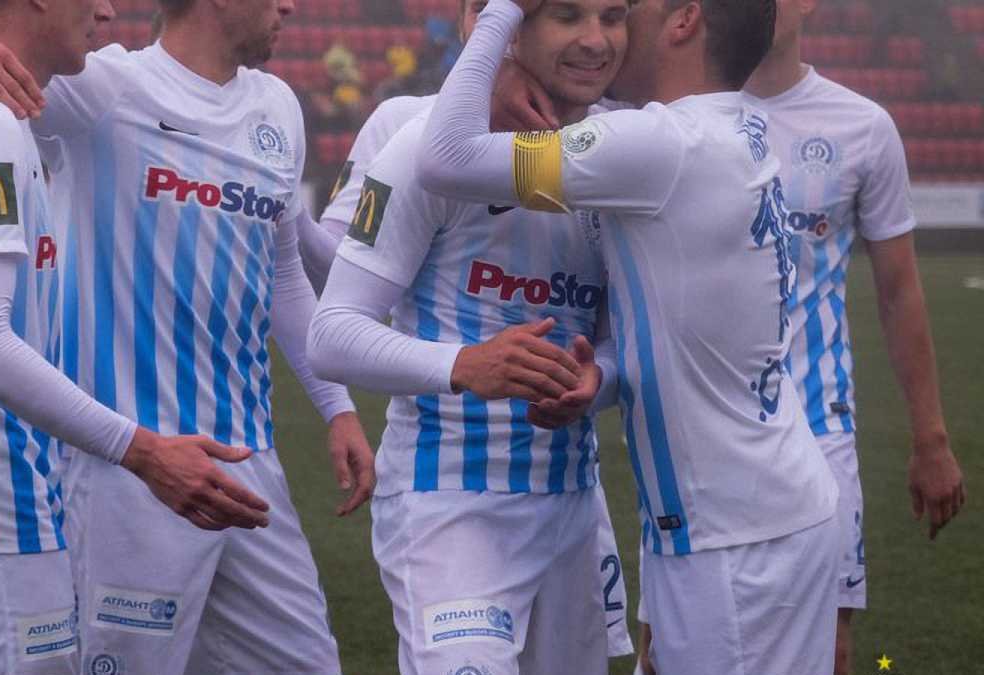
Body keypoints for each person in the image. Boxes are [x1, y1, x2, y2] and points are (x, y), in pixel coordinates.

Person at [0, 0, 375, 672]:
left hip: (247, 462)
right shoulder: (105, 88)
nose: (289, 6)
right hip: (129, 470)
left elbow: (285, 273)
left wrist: (337, 406)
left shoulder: (278, 106)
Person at [417, 1, 845, 673]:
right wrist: (606, 376)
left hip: (737, 544)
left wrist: (503, 14)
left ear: (683, 20)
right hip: (754, 513)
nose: (607, 34)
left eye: (629, 10)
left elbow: (446, 158)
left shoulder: (660, 145)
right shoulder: (734, 124)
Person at [633, 1, 967, 673]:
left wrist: (930, 437)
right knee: (666, 643)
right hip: (703, 427)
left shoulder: (862, 127)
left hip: (819, 423)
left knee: (828, 645)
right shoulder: (665, 119)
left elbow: (899, 292)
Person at [307, 2, 633, 673]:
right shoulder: (420, 144)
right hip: (450, 505)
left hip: (574, 506)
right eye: (568, 15)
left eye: (613, 15)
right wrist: (465, 364)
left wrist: (596, 379)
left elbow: (619, 339)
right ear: (512, 27)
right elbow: (333, 333)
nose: (596, 40)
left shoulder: (621, 154)